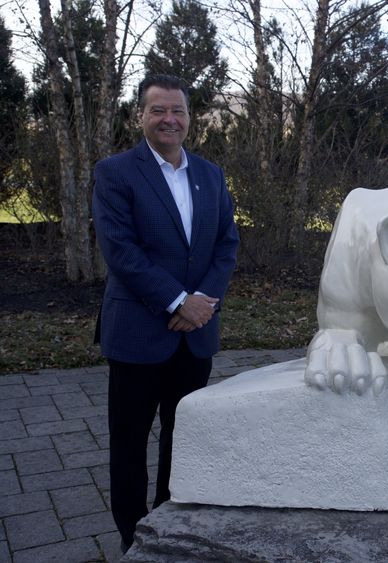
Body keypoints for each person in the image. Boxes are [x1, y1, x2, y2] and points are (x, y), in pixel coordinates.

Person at [92, 74, 239, 551]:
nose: (168, 119)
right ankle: (133, 539)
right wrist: (179, 301)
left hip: (194, 336)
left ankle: (171, 528)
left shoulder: (211, 175)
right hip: (138, 332)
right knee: (130, 444)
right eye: (158, 110)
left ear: (190, 119)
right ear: (140, 116)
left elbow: (226, 245)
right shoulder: (115, 172)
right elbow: (120, 251)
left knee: (184, 437)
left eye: (177, 111)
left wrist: (203, 304)